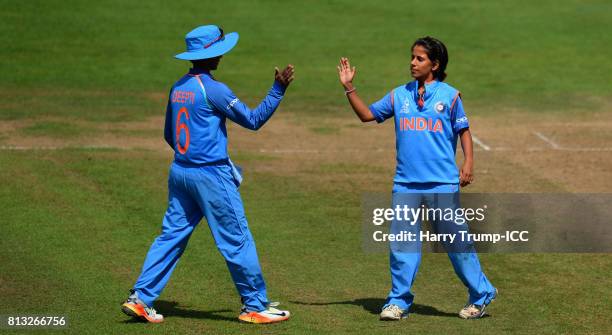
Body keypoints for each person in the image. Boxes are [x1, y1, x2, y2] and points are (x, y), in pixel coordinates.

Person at [121, 25, 294, 324]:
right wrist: (277, 90)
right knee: (237, 239)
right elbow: (253, 120)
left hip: (180, 172)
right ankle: (254, 305)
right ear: (213, 53)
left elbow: (169, 135)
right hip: (211, 177)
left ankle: (140, 298)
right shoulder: (214, 89)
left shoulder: (178, 87)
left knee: (170, 237)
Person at [337, 36, 497, 320]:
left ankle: (481, 294)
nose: (412, 62)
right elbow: (367, 115)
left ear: (434, 65)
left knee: (456, 243)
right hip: (406, 184)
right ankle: (398, 301)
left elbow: (464, 131)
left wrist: (468, 162)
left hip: (442, 183)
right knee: (402, 244)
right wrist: (349, 88)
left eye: (419, 58)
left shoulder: (450, 96)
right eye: (412, 57)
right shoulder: (399, 95)